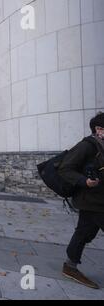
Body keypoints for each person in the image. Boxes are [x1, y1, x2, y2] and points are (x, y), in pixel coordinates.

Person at [58, 112, 104, 289]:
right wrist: (84, 181)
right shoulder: (87, 146)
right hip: (91, 201)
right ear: (98, 129)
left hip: (98, 200)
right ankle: (70, 266)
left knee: (84, 233)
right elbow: (65, 168)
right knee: (84, 232)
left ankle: (70, 266)